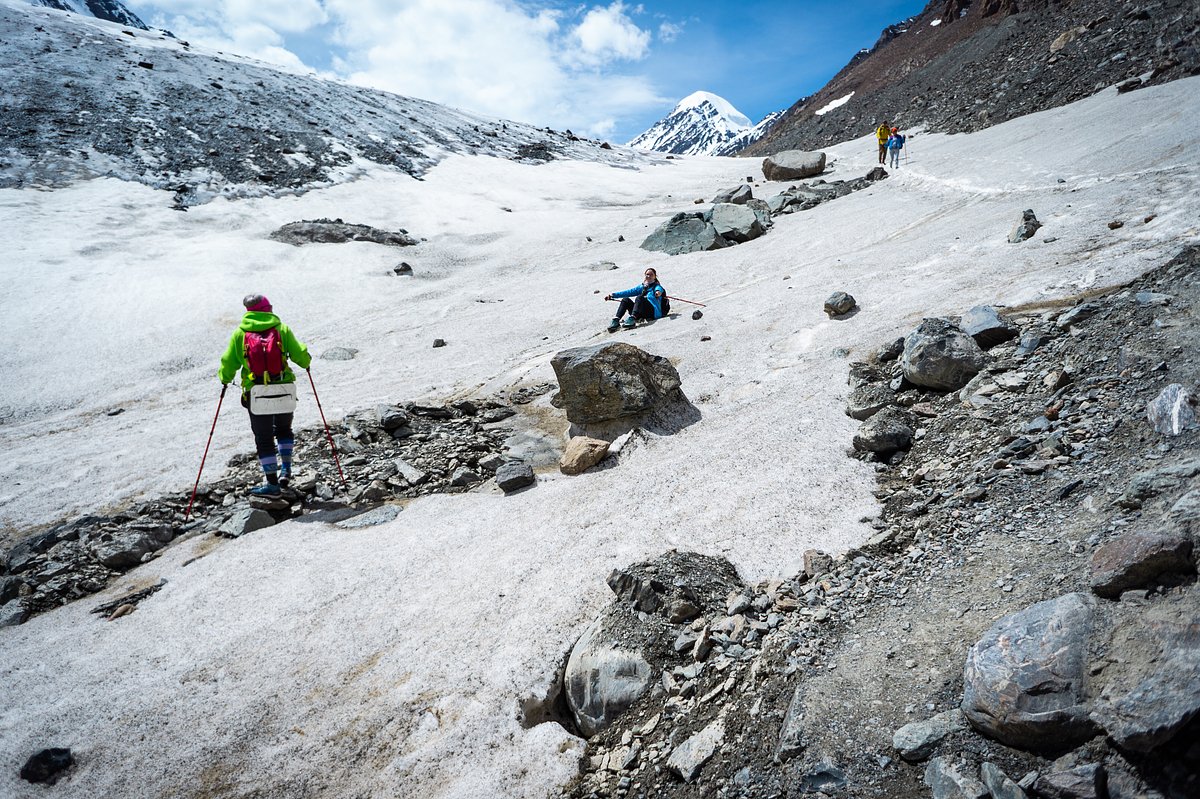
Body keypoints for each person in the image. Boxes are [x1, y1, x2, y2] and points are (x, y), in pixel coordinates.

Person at [218, 294, 312, 497]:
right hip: (284, 389)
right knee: (284, 429)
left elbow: (228, 362)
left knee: (263, 438)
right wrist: (306, 362)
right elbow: (299, 355)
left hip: (256, 392)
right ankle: (286, 470)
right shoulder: (282, 329)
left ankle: (272, 485)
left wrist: (224, 379)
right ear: (267, 308)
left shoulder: (239, 334)